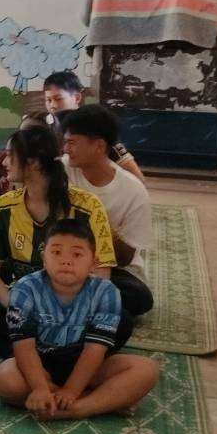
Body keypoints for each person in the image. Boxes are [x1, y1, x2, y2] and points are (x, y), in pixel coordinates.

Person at [0, 124, 119, 357]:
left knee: (121, 321)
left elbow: (101, 271)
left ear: (34, 163)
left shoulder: (87, 207)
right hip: (27, 305)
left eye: (10, 155)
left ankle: (35, 349)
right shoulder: (3, 208)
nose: (4, 162)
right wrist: (17, 307)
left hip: (74, 306)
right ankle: (56, 352)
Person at [0, 219, 159, 419]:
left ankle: (72, 409)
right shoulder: (25, 288)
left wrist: (71, 391)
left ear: (93, 262)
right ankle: (103, 402)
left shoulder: (106, 292)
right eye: (56, 252)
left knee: (146, 369)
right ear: (43, 258)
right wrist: (39, 388)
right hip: (40, 364)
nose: (66, 261)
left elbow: (95, 350)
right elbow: (24, 347)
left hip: (87, 366)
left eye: (77, 254)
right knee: (5, 378)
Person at [62, 105, 155, 318]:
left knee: (139, 296)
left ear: (99, 146)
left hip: (109, 267)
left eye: (72, 142)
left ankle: (70, 299)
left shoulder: (132, 190)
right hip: (63, 258)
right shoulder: (62, 170)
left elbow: (126, 257)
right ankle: (85, 303)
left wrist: (99, 225)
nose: (66, 149)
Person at [43, 71, 144, 181]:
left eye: (58, 99)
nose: (52, 105)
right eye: (48, 100)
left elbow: (137, 178)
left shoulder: (96, 126)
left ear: (77, 98)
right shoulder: (45, 128)